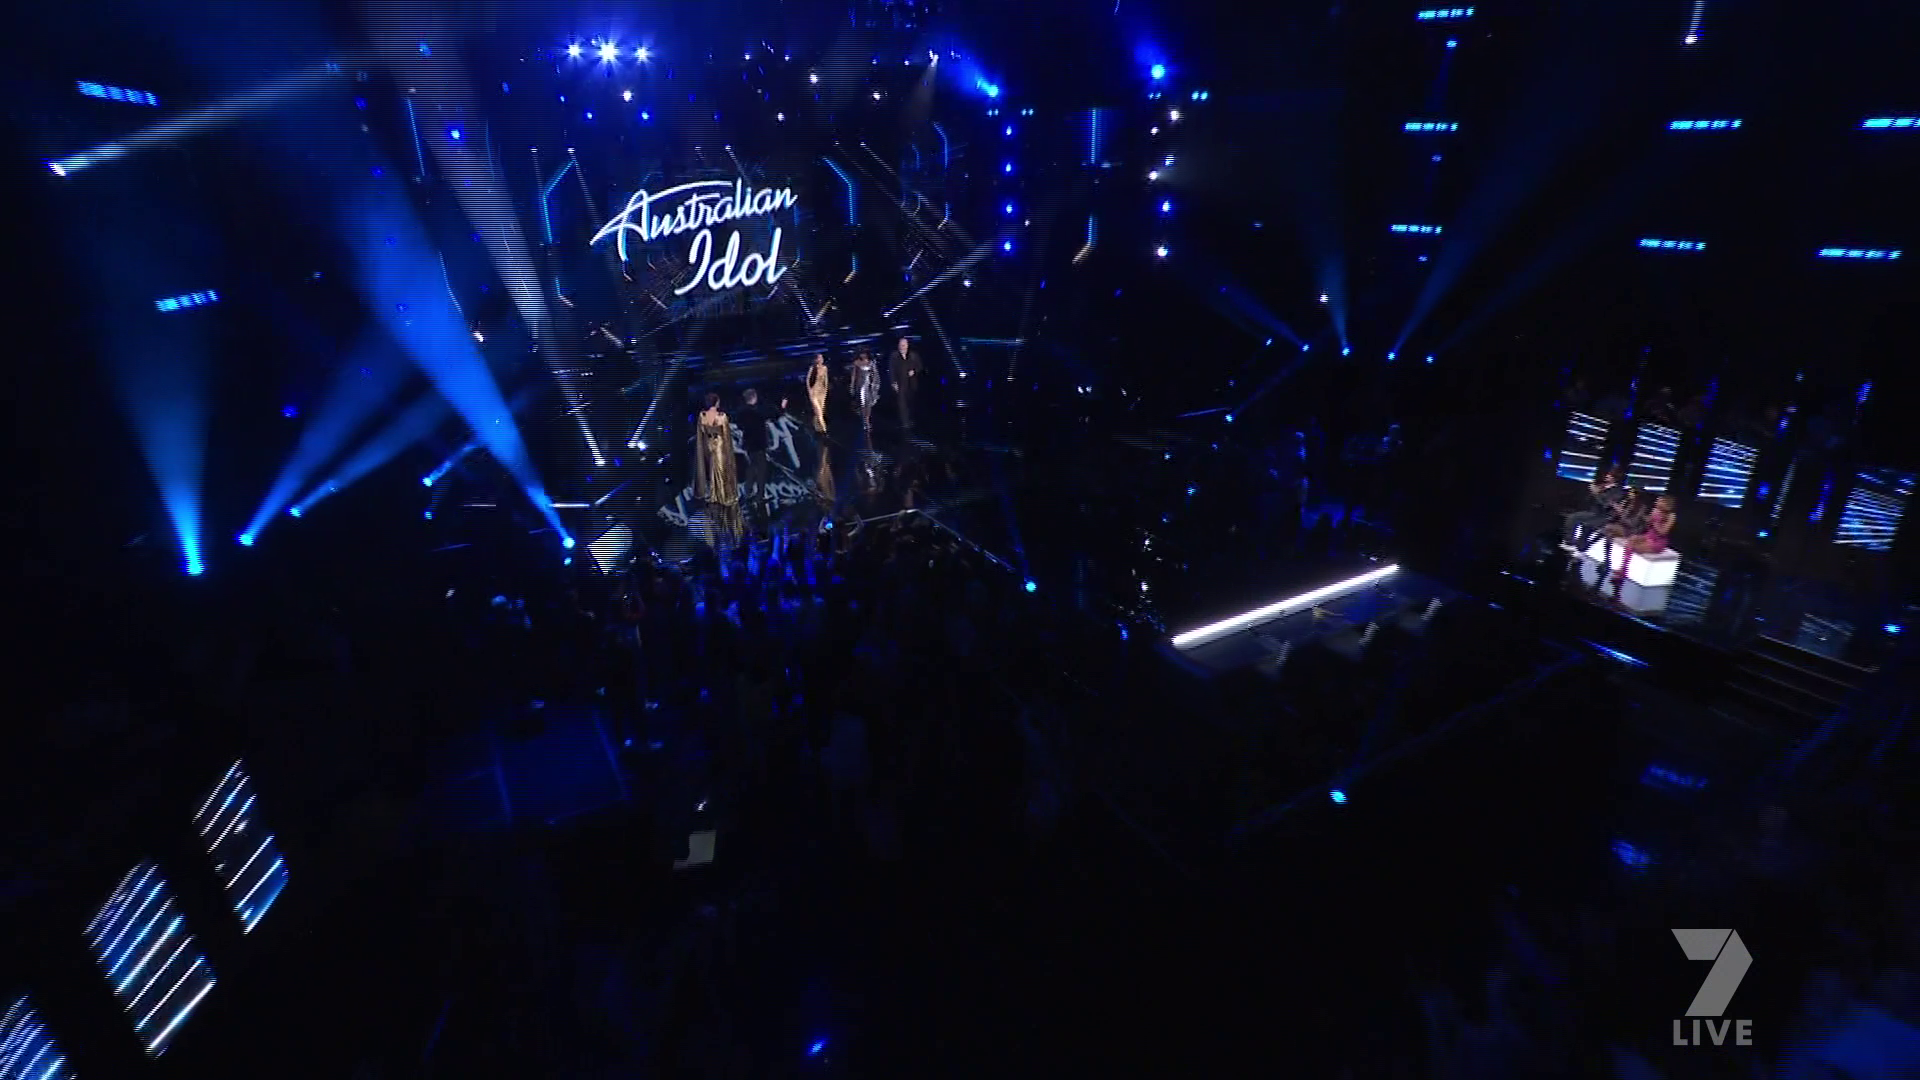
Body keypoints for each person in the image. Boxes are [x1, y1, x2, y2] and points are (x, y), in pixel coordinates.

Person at [739, 387, 783, 518]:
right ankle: (759, 497)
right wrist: (782, 407)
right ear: (754, 397)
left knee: (753, 468)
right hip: (758, 444)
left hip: (749, 445)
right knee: (761, 470)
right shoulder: (757, 412)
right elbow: (774, 415)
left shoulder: (743, 412)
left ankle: (748, 493)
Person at [694, 392, 739, 510]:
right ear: (716, 402)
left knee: (711, 469)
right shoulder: (722, 416)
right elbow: (726, 434)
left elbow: (701, 432)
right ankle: (722, 496)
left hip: (707, 445)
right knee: (720, 470)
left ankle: (713, 495)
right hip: (719, 445)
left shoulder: (702, 415)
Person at [1566, 467, 1626, 549]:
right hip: (1593, 512)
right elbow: (1590, 499)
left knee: (1574, 518)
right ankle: (1575, 545)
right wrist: (1593, 491)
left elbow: (1605, 505)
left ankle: (1570, 542)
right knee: (1578, 524)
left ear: (1615, 478)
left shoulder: (1617, 491)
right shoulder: (1603, 486)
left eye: (1610, 475)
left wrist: (1596, 493)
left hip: (1602, 515)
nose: (1607, 476)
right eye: (1608, 474)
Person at [890, 335, 924, 429]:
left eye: (904, 345)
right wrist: (893, 382)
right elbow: (891, 370)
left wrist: (914, 371)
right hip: (900, 383)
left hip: (911, 383)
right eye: (900, 345)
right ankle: (905, 422)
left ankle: (910, 419)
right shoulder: (894, 356)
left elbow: (920, 366)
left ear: (907, 345)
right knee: (902, 403)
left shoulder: (913, 355)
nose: (902, 347)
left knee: (910, 402)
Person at [850, 349, 881, 433]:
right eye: (861, 354)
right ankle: (865, 421)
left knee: (869, 404)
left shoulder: (871, 363)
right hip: (860, 387)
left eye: (864, 354)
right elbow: (853, 376)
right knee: (863, 404)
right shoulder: (856, 363)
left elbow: (875, 374)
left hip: (870, 386)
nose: (863, 355)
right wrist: (852, 386)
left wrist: (874, 384)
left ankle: (867, 419)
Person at [805, 353, 831, 435]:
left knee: (819, 412)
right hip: (814, 393)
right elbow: (808, 380)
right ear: (816, 359)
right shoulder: (812, 368)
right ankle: (824, 430)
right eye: (819, 358)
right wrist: (809, 391)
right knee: (819, 411)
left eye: (822, 358)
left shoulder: (824, 368)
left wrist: (825, 391)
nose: (821, 359)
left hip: (821, 393)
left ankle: (817, 428)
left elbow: (826, 380)